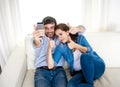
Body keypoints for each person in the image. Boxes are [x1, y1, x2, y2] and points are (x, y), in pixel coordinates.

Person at [32, 16, 85, 87]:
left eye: (52, 27)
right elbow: (37, 43)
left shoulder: (60, 37)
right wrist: (36, 39)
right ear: (43, 28)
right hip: (41, 71)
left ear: (55, 27)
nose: (49, 31)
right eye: (46, 28)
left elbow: (83, 29)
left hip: (58, 71)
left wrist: (77, 29)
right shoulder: (40, 38)